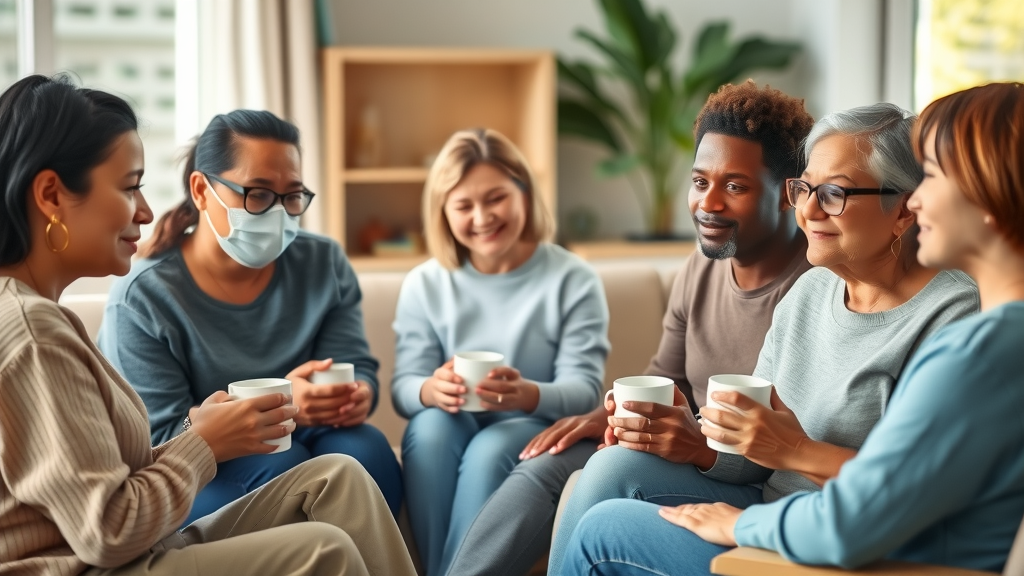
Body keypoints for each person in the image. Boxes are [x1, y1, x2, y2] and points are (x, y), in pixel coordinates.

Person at [561, 81, 1024, 576]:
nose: (805, 210)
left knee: (605, 531)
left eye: (833, 194)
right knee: (612, 469)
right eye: (804, 189)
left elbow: (876, 505)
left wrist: (747, 516)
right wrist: (702, 444)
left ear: (899, 214)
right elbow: (763, 455)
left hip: (846, 547)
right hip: (788, 514)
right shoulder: (810, 292)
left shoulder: (963, 330)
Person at [0, 74, 416, 576]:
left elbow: (101, 480)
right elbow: (105, 533)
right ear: (51, 194)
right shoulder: (36, 332)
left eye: (292, 196)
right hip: (86, 564)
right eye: (130, 187)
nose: (148, 210)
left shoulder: (44, 318)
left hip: (129, 543)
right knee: (324, 546)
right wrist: (203, 440)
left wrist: (207, 431)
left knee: (342, 473)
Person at [447, 81, 815, 576]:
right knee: (550, 457)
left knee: (609, 468)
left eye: (735, 186)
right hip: (689, 446)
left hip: (745, 474)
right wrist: (614, 416)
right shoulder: (699, 269)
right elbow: (668, 375)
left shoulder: (816, 290)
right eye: (700, 181)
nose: (708, 204)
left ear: (790, 193)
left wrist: (695, 443)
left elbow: (793, 441)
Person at [96, 110, 402, 524]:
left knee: (365, 448)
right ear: (202, 190)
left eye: (292, 196)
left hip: (311, 433)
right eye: (257, 193)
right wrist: (286, 405)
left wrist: (356, 394)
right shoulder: (144, 296)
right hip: (202, 462)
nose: (278, 213)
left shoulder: (322, 262)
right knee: (279, 463)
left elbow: (354, 365)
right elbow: (157, 438)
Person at [391, 128, 610, 576]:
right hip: (452, 422)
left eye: (496, 198)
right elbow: (404, 387)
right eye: (463, 205)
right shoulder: (425, 283)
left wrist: (526, 395)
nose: (482, 217)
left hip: (532, 424)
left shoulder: (572, 278)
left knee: (491, 449)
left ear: (524, 193)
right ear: (443, 213)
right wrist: (432, 390)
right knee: (428, 429)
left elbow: (585, 388)